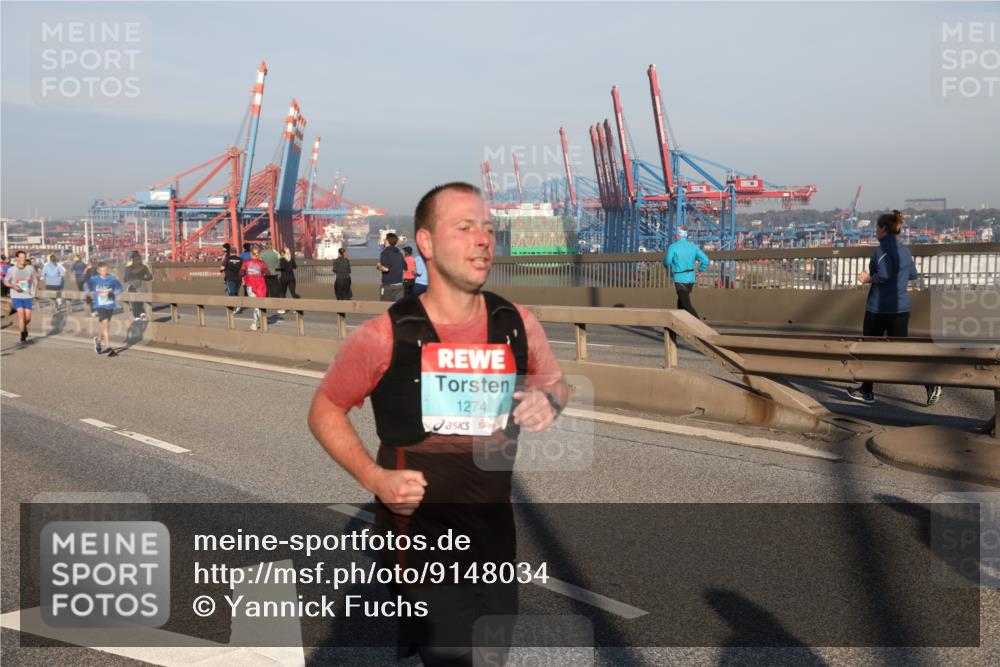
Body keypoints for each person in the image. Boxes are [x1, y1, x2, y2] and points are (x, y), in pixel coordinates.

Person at [308, 182, 566, 665]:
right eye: (464, 228)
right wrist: (375, 479)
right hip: (419, 534)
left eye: (487, 228)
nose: (483, 239)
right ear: (425, 243)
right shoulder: (385, 335)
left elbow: (554, 381)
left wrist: (548, 399)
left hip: (493, 532)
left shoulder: (516, 323)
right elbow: (325, 409)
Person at [847, 210, 943, 406]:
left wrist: (867, 278)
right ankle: (930, 383)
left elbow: (883, 274)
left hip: (879, 308)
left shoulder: (881, 250)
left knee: (868, 349)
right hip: (901, 308)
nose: (875, 231)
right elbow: (913, 275)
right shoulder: (905, 251)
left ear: (883, 229)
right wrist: (898, 281)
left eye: (876, 227)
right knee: (903, 353)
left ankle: (867, 391)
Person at [664, 227, 710, 319]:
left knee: (686, 305)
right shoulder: (693, 247)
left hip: (680, 280)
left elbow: (667, 262)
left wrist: (665, 264)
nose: (674, 235)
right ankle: (678, 326)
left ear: (678, 235)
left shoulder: (673, 247)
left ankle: (699, 324)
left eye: (675, 234)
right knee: (681, 303)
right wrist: (700, 270)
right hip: (691, 279)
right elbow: (705, 260)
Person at [87, 261, 124, 356]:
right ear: (98, 271)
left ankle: (98, 340)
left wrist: (113, 293)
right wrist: (87, 295)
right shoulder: (94, 279)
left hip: (109, 305)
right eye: (102, 271)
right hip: (99, 305)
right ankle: (108, 348)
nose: (104, 272)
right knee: (106, 324)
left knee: (104, 326)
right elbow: (87, 286)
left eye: (105, 270)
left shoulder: (112, 279)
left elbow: (120, 288)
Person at [4, 251, 37, 343]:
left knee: (28, 318)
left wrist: (35, 290)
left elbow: (35, 278)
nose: (23, 259)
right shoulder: (11, 270)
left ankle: (24, 327)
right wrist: (13, 286)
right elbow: (6, 281)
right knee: (21, 315)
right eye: (21, 257)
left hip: (27, 296)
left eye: (24, 257)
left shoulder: (30, 268)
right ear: (17, 258)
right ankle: (22, 335)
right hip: (16, 296)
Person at [239, 247, 269, 331]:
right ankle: (258, 320)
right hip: (260, 285)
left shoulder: (246, 262)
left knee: (255, 305)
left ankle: (255, 323)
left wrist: (244, 274)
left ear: (251, 253)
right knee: (258, 304)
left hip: (250, 285)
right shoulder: (261, 262)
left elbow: (241, 272)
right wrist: (260, 273)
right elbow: (267, 272)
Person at [123, 250, 153, 321]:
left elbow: (125, 279)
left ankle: (137, 315)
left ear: (132, 259)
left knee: (134, 299)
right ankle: (142, 314)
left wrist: (131, 279)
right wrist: (144, 278)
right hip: (143, 287)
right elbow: (150, 277)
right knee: (139, 299)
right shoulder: (144, 266)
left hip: (133, 287)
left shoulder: (129, 267)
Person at [376, 232, 405, 302]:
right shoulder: (400, 254)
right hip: (399, 285)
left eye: (385, 239)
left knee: (385, 306)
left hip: (388, 286)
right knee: (397, 307)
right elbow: (404, 268)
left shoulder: (385, 253)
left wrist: (378, 266)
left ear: (387, 241)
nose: (383, 241)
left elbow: (386, 269)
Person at [220, 245, 244, 312]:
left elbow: (222, 267)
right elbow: (243, 269)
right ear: (236, 252)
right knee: (236, 292)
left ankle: (234, 307)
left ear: (230, 252)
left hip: (230, 278)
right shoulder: (240, 259)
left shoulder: (227, 259)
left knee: (231, 293)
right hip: (238, 279)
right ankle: (237, 306)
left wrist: (221, 271)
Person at [277, 246, 299, 313]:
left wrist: (276, 269)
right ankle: (297, 309)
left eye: (282, 252)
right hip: (291, 278)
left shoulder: (282, 260)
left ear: (284, 253)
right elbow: (295, 267)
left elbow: (282, 268)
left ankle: (283, 309)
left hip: (284, 278)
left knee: (283, 293)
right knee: (293, 293)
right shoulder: (291, 259)